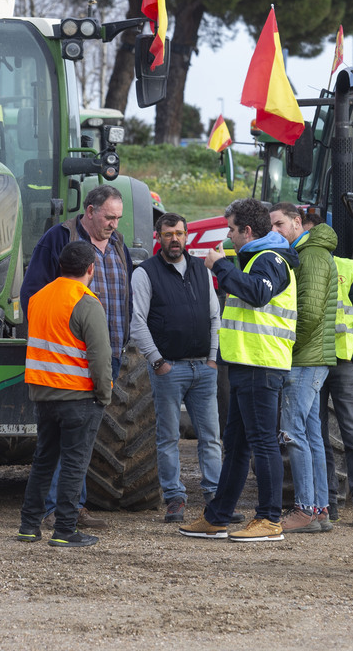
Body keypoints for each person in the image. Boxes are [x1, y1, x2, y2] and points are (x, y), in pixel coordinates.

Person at [179, 198, 299, 542]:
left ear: (246, 230)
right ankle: (217, 516)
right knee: (237, 444)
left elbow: (258, 294)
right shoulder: (256, 258)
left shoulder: (270, 259)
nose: (228, 235)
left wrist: (220, 267)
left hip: (263, 363)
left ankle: (269, 519)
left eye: (231, 229)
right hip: (247, 363)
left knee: (263, 443)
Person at [20, 184, 132, 531]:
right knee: (70, 450)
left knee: (75, 447)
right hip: (69, 363)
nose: (113, 224)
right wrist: (57, 345)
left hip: (108, 352)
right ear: (89, 210)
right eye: (108, 217)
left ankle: (69, 508)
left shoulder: (117, 244)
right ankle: (60, 515)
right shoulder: (58, 238)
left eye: (118, 218)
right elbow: (33, 295)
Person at [130, 212, 228, 525]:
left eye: (180, 233)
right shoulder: (145, 273)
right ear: (158, 236)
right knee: (168, 437)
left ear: (187, 237)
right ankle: (174, 498)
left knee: (211, 437)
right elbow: (137, 322)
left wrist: (212, 358)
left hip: (203, 368)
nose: (176, 239)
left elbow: (215, 316)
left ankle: (215, 497)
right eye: (169, 233)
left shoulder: (201, 269)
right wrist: (157, 361)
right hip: (169, 369)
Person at [16, 241, 112, 548]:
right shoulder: (86, 302)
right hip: (78, 398)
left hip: (43, 395)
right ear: (90, 270)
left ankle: (29, 526)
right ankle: (65, 530)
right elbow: (100, 357)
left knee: (44, 460)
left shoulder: (38, 298)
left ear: (60, 267)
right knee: (74, 463)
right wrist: (104, 394)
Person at [270, 202, 338, 534]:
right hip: (313, 358)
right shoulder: (312, 253)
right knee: (310, 434)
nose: (275, 232)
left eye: (279, 224)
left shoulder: (310, 256)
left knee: (293, 432)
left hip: (304, 359)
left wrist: (284, 347)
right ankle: (320, 509)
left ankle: (304, 509)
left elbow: (308, 314)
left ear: (298, 223)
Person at [310, 212, 353, 528]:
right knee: (317, 436)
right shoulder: (298, 269)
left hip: (340, 362)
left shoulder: (349, 270)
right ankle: (329, 503)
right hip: (311, 362)